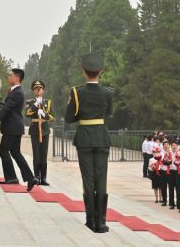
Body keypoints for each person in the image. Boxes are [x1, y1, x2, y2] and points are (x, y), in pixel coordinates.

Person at [64, 53, 113, 234]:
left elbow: (69, 118)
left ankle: (90, 220)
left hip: (84, 137)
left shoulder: (77, 92)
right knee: (102, 179)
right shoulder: (108, 93)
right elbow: (108, 114)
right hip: (101, 137)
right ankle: (101, 222)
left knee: (88, 179)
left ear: (84, 72)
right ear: (101, 71)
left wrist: (74, 107)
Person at [0, 69, 39, 192]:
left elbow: (7, 108)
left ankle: (12, 178)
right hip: (14, 127)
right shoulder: (14, 91)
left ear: (17, 78)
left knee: (3, 150)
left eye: (10, 75)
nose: (8, 77)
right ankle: (30, 178)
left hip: (13, 127)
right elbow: (5, 107)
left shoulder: (17, 92)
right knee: (15, 153)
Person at [26, 80, 55, 186]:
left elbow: (52, 117)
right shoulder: (30, 101)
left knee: (44, 155)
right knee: (36, 155)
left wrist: (43, 114)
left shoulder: (48, 102)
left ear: (43, 90)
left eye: (40, 88)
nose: (38, 90)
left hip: (45, 130)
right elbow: (27, 113)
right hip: (34, 129)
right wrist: (35, 104)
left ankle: (43, 177)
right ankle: (36, 177)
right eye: (36, 88)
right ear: (33, 90)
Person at [160, 141, 172, 207]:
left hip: (170, 171)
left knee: (170, 186)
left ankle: (171, 201)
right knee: (163, 186)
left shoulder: (171, 153)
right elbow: (159, 161)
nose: (166, 146)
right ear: (163, 146)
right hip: (163, 171)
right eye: (164, 145)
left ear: (169, 145)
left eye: (167, 144)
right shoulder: (161, 153)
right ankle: (164, 201)